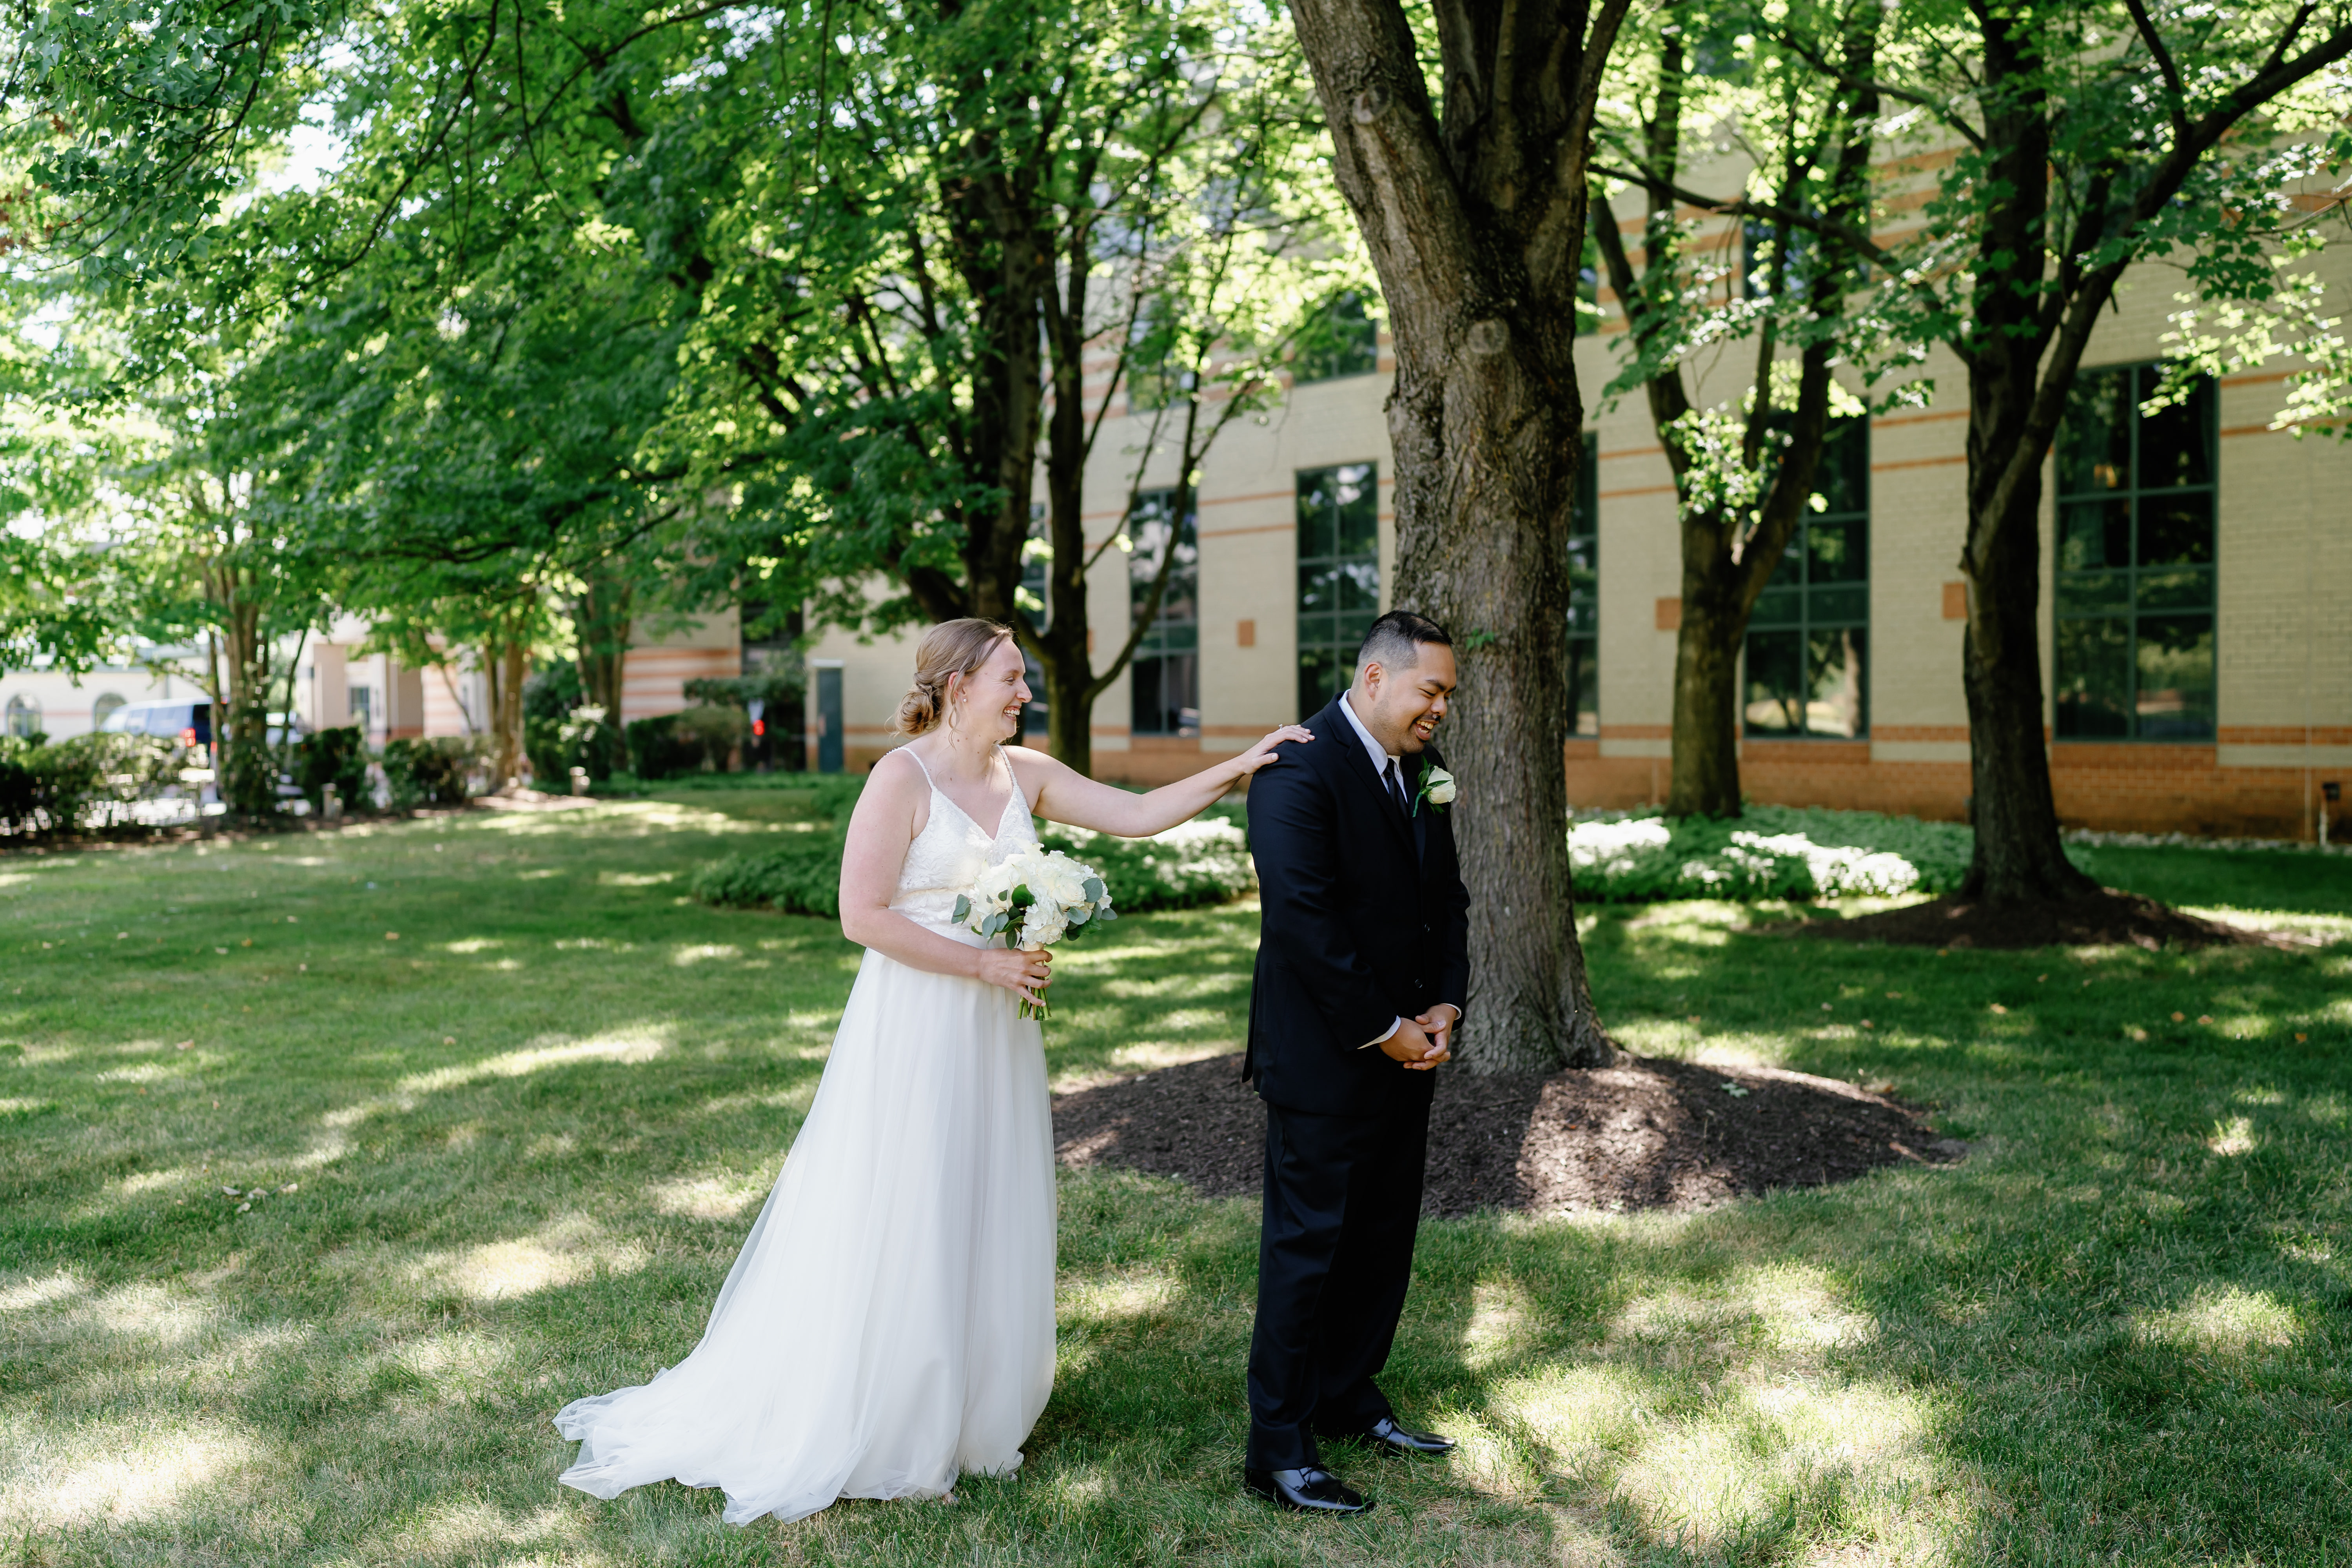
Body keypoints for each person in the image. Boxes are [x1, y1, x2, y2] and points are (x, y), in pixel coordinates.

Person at [552, 618, 1312, 1524]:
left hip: (1000, 1029)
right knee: (915, 1204)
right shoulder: (898, 778)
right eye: (1011, 678)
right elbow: (860, 914)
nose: (1025, 693)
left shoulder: (1025, 773)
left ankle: (973, 1415)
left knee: (988, 1200)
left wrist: (1242, 765)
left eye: (1025, 678)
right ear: (956, 686)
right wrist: (983, 963)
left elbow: (1137, 814)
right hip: (917, 1024)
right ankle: (901, 1426)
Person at [1238, 610, 1470, 1516]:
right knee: (1309, 1250)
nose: (1441, 707)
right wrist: (1384, 1026)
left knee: (1381, 1239)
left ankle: (1348, 1394)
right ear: (1375, 679)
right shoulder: (1296, 767)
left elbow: (1445, 900)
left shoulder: (1421, 771)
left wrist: (1446, 1003)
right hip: (1328, 1055)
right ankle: (1278, 1446)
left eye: (1448, 692)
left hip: (1413, 1048)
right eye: (1431, 689)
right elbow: (1302, 918)